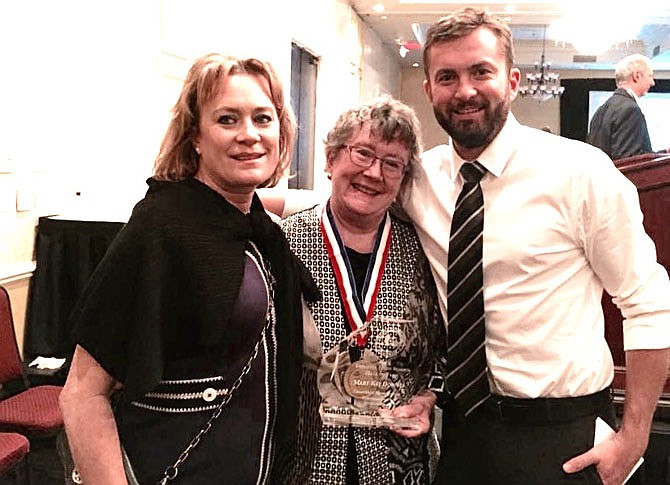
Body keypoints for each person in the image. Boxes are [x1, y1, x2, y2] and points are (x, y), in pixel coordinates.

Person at [409, 8, 670, 484]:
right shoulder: (418, 180)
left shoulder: (581, 172)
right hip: (462, 435)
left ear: (511, 81)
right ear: (429, 90)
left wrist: (633, 439)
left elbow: (649, 304)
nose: (464, 90)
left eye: (480, 71)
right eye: (447, 76)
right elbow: (344, 195)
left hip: (564, 439)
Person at [58, 53, 320, 484]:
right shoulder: (162, 226)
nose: (249, 135)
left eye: (263, 118)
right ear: (196, 136)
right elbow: (83, 395)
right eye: (228, 120)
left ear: (281, 131)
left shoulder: (260, 229)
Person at [273, 97, 446, 485]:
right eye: (363, 153)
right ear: (331, 159)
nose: (373, 172)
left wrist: (429, 398)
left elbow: (444, 349)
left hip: (398, 463)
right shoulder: (281, 245)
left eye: (392, 163)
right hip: (304, 460)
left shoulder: (422, 250)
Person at [586, 54, 661, 160]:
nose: (652, 83)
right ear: (637, 76)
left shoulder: (601, 109)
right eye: (650, 76)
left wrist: (664, 153)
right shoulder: (630, 110)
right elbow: (630, 162)